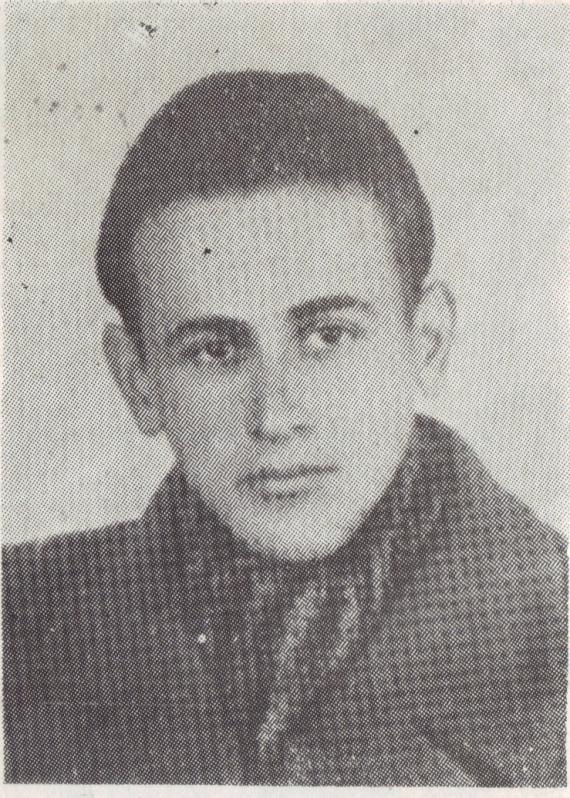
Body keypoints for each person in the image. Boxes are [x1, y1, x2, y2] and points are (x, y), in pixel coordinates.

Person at [3, 70, 566, 786]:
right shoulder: (17, 626)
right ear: (138, 380)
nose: (275, 416)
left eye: (328, 335)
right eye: (214, 350)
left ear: (426, 342)